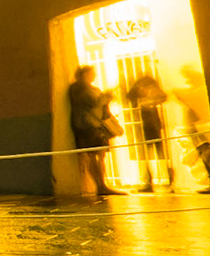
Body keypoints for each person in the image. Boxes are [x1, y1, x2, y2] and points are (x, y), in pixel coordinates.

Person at [67, 65, 119, 196]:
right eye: (92, 73)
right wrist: (104, 97)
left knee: (100, 155)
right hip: (87, 125)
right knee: (92, 155)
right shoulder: (78, 88)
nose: (94, 75)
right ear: (84, 74)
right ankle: (100, 186)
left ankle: (102, 184)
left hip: (96, 124)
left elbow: (100, 105)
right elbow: (92, 103)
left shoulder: (93, 88)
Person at [173, 63, 210, 191]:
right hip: (198, 128)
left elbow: (186, 96)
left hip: (203, 128)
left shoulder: (199, 90)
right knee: (207, 155)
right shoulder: (199, 89)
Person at [125, 69, 172, 191]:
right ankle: (152, 180)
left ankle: (160, 180)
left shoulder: (151, 91)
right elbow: (130, 98)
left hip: (150, 124)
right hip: (145, 124)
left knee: (156, 153)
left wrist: (149, 101)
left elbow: (162, 97)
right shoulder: (139, 91)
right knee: (149, 153)